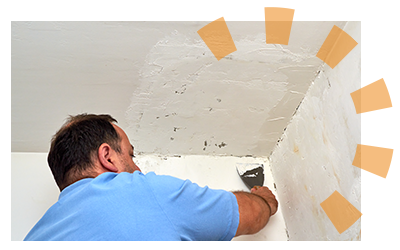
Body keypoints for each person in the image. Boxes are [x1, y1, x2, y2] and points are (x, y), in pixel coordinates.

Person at [24, 113, 278, 241]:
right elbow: (252, 215)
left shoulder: (35, 235)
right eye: (130, 155)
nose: (137, 168)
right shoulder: (142, 192)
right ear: (108, 157)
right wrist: (263, 199)